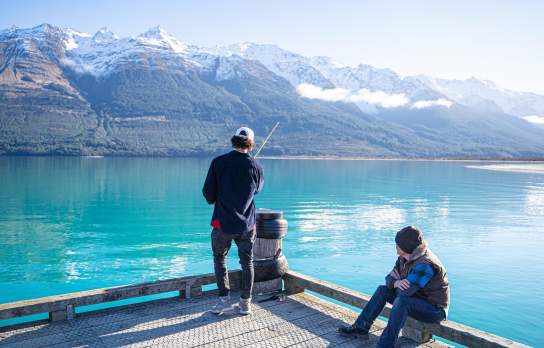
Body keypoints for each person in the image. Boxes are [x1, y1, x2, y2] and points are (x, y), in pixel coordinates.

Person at [338, 226, 449, 347]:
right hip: (415, 298)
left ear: (406, 247)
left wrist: (397, 280)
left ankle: (386, 345)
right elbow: (388, 279)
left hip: (434, 309)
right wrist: (396, 282)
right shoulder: (403, 258)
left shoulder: (425, 264)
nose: (395, 246)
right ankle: (361, 328)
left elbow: (404, 293)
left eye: (398, 244)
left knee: (402, 302)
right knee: (382, 290)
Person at [202, 127, 264, 315]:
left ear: (234, 140)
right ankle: (246, 303)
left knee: (220, 259)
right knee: (247, 262)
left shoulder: (218, 162)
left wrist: (216, 200)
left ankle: (223, 300)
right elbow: (257, 190)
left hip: (222, 223)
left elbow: (208, 193)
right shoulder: (256, 166)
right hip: (247, 224)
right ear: (251, 144)